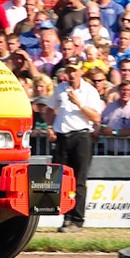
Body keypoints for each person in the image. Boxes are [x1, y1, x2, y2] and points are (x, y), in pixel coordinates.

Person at [44, 56, 103, 233]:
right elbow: (49, 109)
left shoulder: (90, 91)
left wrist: (80, 104)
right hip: (62, 137)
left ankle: (77, 220)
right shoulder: (60, 88)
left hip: (81, 137)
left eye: (74, 70)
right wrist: (49, 126)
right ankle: (66, 217)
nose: (71, 74)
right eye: (69, 70)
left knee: (79, 181)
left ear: (81, 71)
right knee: (61, 181)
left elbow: (96, 117)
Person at [98, 80, 130, 154]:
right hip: (109, 149)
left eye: (128, 90)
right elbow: (102, 122)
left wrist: (113, 132)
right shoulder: (110, 106)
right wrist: (103, 129)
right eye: (123, 89)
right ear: (118, 91)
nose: (125, 92)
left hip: (128, 150)